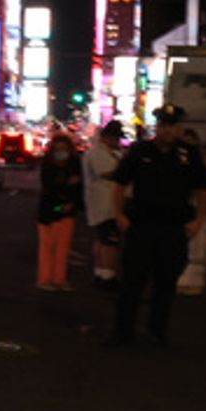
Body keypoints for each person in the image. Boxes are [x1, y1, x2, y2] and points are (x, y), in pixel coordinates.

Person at [103, 104, 206, 347]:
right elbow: (119, 183)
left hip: (174, 229)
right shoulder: (140, 151)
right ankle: (122, 332)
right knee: (132, 282)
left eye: (171, 126)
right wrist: (118, 214)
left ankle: (157, 331)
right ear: (157, 127)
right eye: (162, 125)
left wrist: (199, 220)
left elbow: (203, 188)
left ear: (180, 128)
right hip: (141, 226)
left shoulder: (189, 155)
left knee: (166, 283)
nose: (166, 130)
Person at [37, 133, 83, 290]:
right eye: (57, 149)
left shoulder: (74, 165)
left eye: (64, 149)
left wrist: (71, 203)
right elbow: (49, 191)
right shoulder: (48, 166)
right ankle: (45, 279)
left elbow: (77, 189)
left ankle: (59, 278)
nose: (61, 152)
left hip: (66, 212)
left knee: (63, 248)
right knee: (48, 246)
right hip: (50, 213)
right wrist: (67, 185)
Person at [82, 120, 124, 290]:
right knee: (109, 242)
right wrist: (126, 168)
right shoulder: (98, 153)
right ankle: (108, 276)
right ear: (108, 137)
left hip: (104, 204)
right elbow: (108, 173)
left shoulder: (105, 152)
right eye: (116, 138)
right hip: (105, 204)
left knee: (102, 240)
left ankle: (100, 272)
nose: (118, 142)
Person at [175, 128, 206, 296]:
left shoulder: (201, 161)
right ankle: (182, 278)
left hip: (196, 205)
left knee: (197, 244)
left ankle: (194, 280)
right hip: (182, 205)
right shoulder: (177, 159)